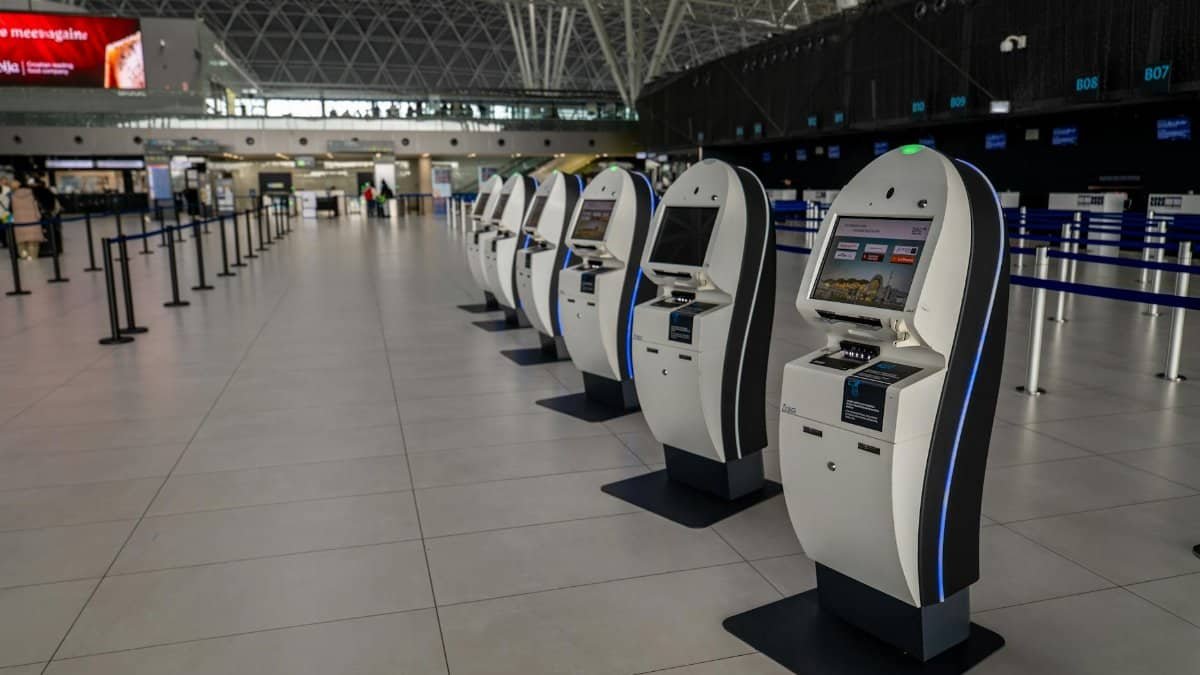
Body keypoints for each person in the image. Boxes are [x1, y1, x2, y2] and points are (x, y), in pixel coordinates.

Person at [9, 179, 43, 261]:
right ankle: (32, 257)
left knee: (21, 243)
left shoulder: (13, 196)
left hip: (19, 222)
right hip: (33, 221)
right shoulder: (32, 194)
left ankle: (24, 256)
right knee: (33, 242)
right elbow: (37, 207)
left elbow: (10, 209)